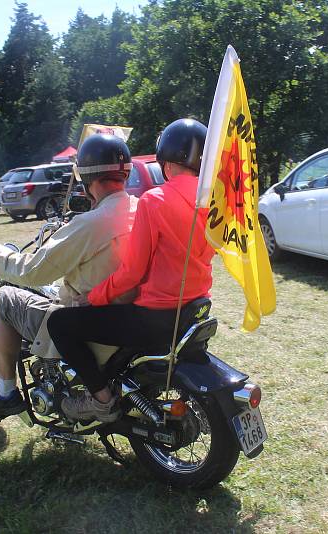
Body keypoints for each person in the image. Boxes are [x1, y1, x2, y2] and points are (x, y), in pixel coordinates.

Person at [47, 118, 214, 422]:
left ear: (165, 162)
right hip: (193, 307)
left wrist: (93, 297)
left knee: (60, 323)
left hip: (154, 318)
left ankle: (99, 400)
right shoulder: (215, 200)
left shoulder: (155, 200)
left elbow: (132, 273)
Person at [0, 134, 137, 420]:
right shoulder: (138, 208)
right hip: (127, 314)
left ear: (85, 176)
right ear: (126, 172)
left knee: (3, 298)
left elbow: (31, 271)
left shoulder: (92, 223)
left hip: (90, 320)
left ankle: (5, 392)